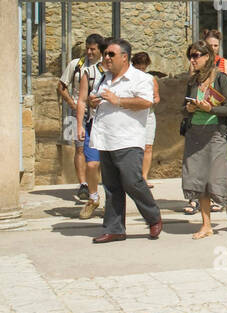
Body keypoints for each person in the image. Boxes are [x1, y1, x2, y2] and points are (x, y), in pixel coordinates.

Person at [87, 38, 163, 244]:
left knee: (132, 181)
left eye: (111, 54)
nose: (106, 57)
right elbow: (94, 100)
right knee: (111, 187)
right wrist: (91, 102)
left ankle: (153, 217)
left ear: (124, 57)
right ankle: (114, 229)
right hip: (105, 138)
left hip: (128, 139)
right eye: (105, 54)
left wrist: (118, 101)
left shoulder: (140, 78)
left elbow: (146, 102)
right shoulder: (104, 79)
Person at [182, 41, 227, 239]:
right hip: (195, 133)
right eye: (191, 56)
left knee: (215, 177)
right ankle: (206, 225)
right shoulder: (193, 82)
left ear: (208, 57)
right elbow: (183, 107)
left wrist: (210, 109)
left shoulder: (220, 78)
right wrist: (188, 109)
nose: (193, 59)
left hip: (216, 133)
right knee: (199, 180)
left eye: (196, 55)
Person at [58, 33, 106, 208]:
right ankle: (83, 184)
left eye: (93, 49)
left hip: (98, 113)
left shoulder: (105, 67)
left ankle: (94, 182)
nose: (89, 52)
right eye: (87, 48)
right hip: (77, 112)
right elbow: (61, 86)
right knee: (79, 147)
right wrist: (73, 103)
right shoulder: (76, 65)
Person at [202, 28, 227, 213]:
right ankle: (199, 200)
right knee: (201, 163)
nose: (213, 49)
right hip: (201, 118)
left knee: (219, 162)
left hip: (219, 116)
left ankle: (220, 199)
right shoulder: (196, 62)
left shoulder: (223, 63)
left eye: (216, 45)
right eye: (210, 45)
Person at [131, 51, 161, 187]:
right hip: (133, 116)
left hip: (148, 115)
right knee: (133, 146)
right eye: (138, 67)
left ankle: (143, 177)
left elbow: (156, 97)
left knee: (148, 146)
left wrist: (152, 100)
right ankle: (132, 176)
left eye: (143, 67)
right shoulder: (129, 78)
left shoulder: (150, 79)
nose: (141, 70)